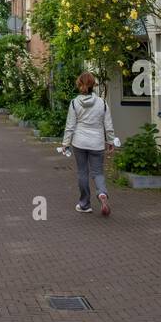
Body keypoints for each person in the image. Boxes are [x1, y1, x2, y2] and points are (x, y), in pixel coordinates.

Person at [62, 72, 120, 216]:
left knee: (82, 172)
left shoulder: (74, 103)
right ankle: (102, 194)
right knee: (98, 172)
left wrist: (65, 143)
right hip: (97, 143)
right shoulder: (102, 103)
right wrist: (110, 140)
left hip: (79, 142)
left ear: (79, 84)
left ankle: (85, 204)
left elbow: (70, 126)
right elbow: (108, 124)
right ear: (93, 84)